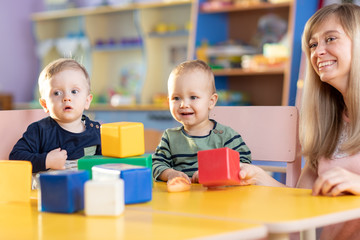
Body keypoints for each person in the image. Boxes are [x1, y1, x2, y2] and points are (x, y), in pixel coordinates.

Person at [239, 3, 360, 239]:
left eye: (330, 39)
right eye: (313, 44)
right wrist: (260, 177)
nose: (317, 52)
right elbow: (301, 199)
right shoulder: (329, 126)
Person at [152, 59, 251, 183]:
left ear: (211, 101)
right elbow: (156, 165)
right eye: (176, 98)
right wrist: (170, 173)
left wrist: (212, 173)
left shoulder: (226, 136)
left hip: (218, 197)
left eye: (193, 97)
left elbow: (244, 164)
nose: (183, 104)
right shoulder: (169, 138)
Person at [10, 58, 101, 174]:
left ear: (87, 101)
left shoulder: (96, 131)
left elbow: (107, 165)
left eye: (74, 91)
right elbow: (16, 157)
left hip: (86, 189)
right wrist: (46, 160)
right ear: (45, 104)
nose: (67, 98)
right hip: (49, 189)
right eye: (57, 93)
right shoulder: (39, 131)